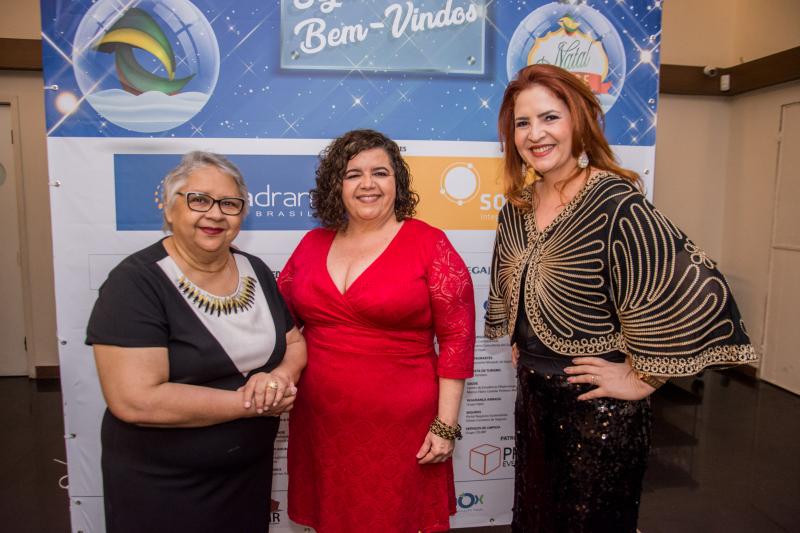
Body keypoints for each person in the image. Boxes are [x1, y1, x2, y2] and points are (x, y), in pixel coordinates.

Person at [485, 64, 758, 533]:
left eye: (549, 118)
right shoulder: (517, 207)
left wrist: (644, 377)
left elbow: (692, 284)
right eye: (522, 123)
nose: (535, 134)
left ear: (578, 121)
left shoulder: (613, 199)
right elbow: (517, 281)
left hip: (597, 411)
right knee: (536, 519)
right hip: (532, 400)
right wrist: (520, 333)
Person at [86, 151, 306, 533]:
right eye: (199, 200)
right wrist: (252, 404)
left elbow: (294, 342)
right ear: (169, 208)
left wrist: (279, 379)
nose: (216, 214)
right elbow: (135, 399)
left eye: (230, 203)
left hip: (247, 478)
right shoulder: (135, 283)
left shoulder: (255, 269)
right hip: (164, 486)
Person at [278, 129, 475, 533]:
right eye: (353, 174)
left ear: (397, 182)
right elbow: (281, 322)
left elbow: (457, 339)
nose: (367, 184)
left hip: (402, 428)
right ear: (336, 185)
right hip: (320, 424)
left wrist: (445, 425)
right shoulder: (311, 244)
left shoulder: (430, 244)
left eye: (380, 173)